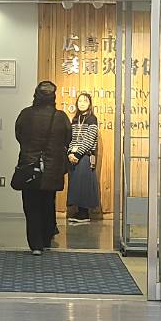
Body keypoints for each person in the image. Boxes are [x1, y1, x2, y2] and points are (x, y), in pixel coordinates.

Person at [13, 81, 71, 256]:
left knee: (31, 206)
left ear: (36, 95)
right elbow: (67, 139)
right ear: (53, 97)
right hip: (52, 169)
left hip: (29, 166)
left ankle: (35, 245)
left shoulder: (26, 114)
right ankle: (46, 239)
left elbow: (19, 135)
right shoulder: (61, 117)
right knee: (47, 203)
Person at [66, 92, 101, 224]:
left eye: (85, 101)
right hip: (73, 157)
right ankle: (79, 212)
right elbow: (71, 138)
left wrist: (77, 154)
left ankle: (84, 213)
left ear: (90, 104)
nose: (82, 103)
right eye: (80, 101)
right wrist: (70, 153)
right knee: (76, 184)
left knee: (84, 184)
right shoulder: (75, 119)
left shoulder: (92, 119)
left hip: (85, 156)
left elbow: (89, 139)